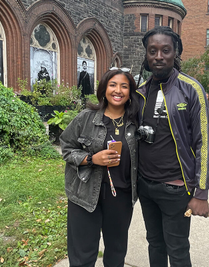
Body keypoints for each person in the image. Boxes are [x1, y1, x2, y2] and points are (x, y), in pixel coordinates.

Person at [136, 26, 209, 267]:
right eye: (153, 50)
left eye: (165, 50)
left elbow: (204, 145)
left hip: (176, 189)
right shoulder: (140, 92)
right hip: (146, 187)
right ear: (146, 55)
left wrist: (201, 193)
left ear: (175, 53)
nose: (159, 56)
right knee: (155, 244)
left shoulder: (191, 89)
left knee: (177, 249)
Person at [60, 68, 140, 267]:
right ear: (104, 89)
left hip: (121, 196)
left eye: (124, 86)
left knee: (116, 253)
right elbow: (67, 148)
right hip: (84, 195)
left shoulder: (136, 123)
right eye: (113, 85)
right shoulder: (86, 118)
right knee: (82, 256)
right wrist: (91, 159)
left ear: (130, 92)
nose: (118, 90)